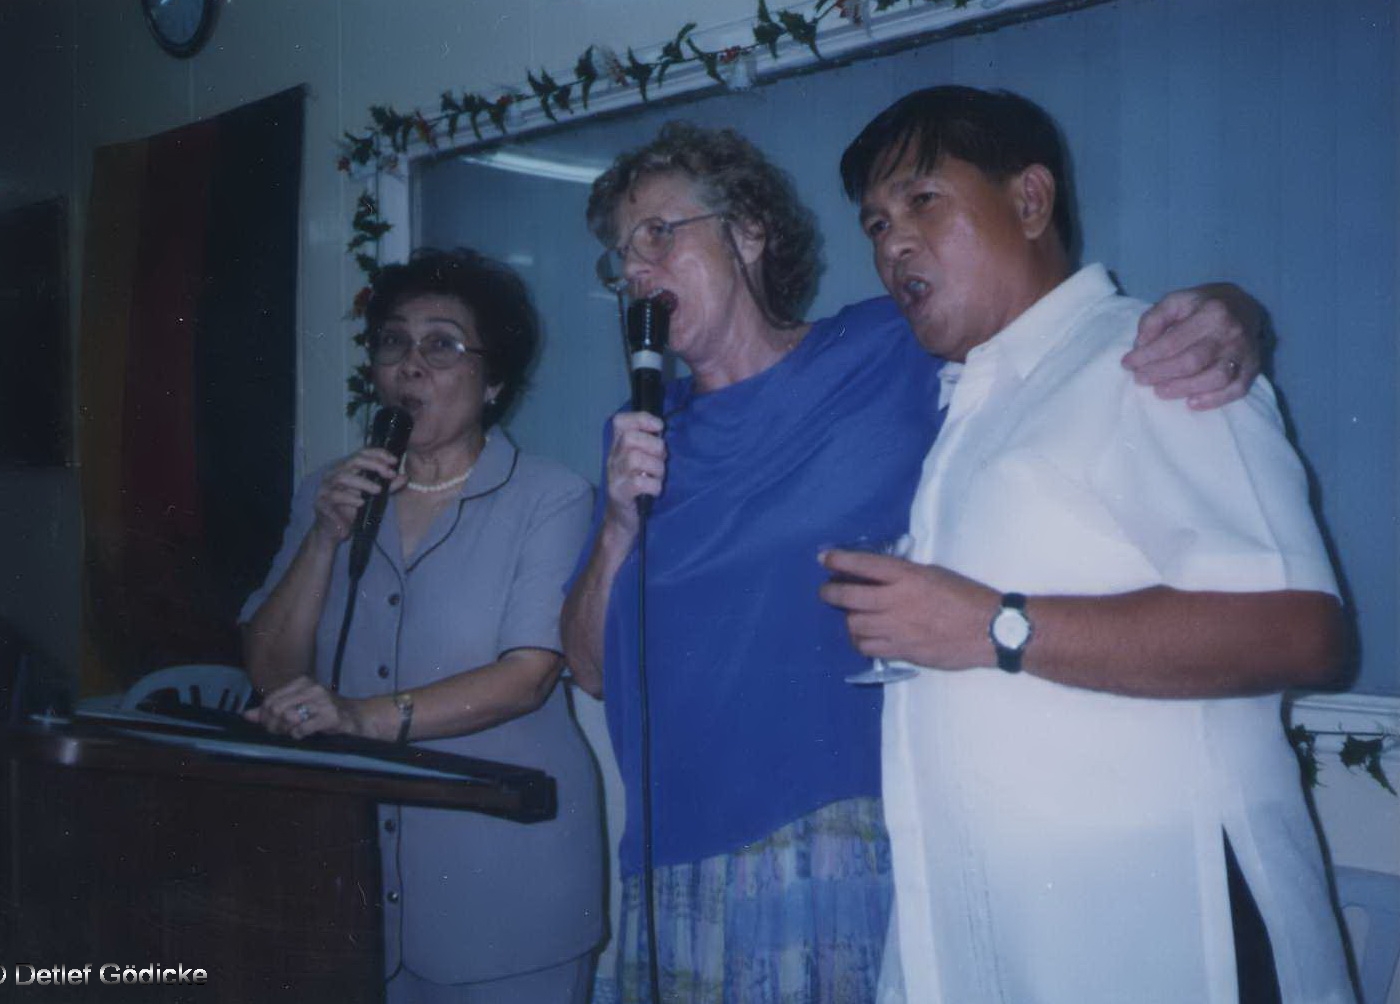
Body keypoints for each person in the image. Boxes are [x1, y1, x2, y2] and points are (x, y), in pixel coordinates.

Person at [561, 120, 1270, 1003]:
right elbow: (590, 669)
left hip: (841, 840)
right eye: (621, 255)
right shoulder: (639, 433)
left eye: (660, 233)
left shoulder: (886, 350)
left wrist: (1232, 310)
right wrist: (618, 526)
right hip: (672, 865)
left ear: (748, 231)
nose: (636, 269)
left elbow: (1057, 333)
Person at [821, 86, 1355, 1003]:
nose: (892, 244)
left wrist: (994, 627)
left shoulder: (1152, 359)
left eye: (922, 201)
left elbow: (1304, 632)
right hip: (1024, 943)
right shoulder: (979, 400)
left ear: (1030, 200)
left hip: (1176, 936)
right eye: (875, 223)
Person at [241, 248, 603, 1004]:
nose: (410, 365)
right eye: (393, 342)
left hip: (508, 890)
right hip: (353, 885)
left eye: (442, 345)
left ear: (495, 381)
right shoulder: (326, 492)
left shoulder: (551, 497)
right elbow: (272, 670)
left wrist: (358, 717)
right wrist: (324, 538)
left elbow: (528, 676)